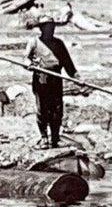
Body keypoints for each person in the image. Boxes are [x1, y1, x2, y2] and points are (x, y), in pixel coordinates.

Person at [25, 13, 78, 148]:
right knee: (43, 109)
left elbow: (68, 63)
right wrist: (28, 64)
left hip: (56, 79)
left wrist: (76, 77)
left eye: (52, 26)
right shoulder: (34, 42)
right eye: (47, 27)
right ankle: (44, 138)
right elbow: (26, 58)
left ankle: (55, 138)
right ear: (41, 29)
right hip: (41, 79)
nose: (50, 29)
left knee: (57, 110)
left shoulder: (58, 44)